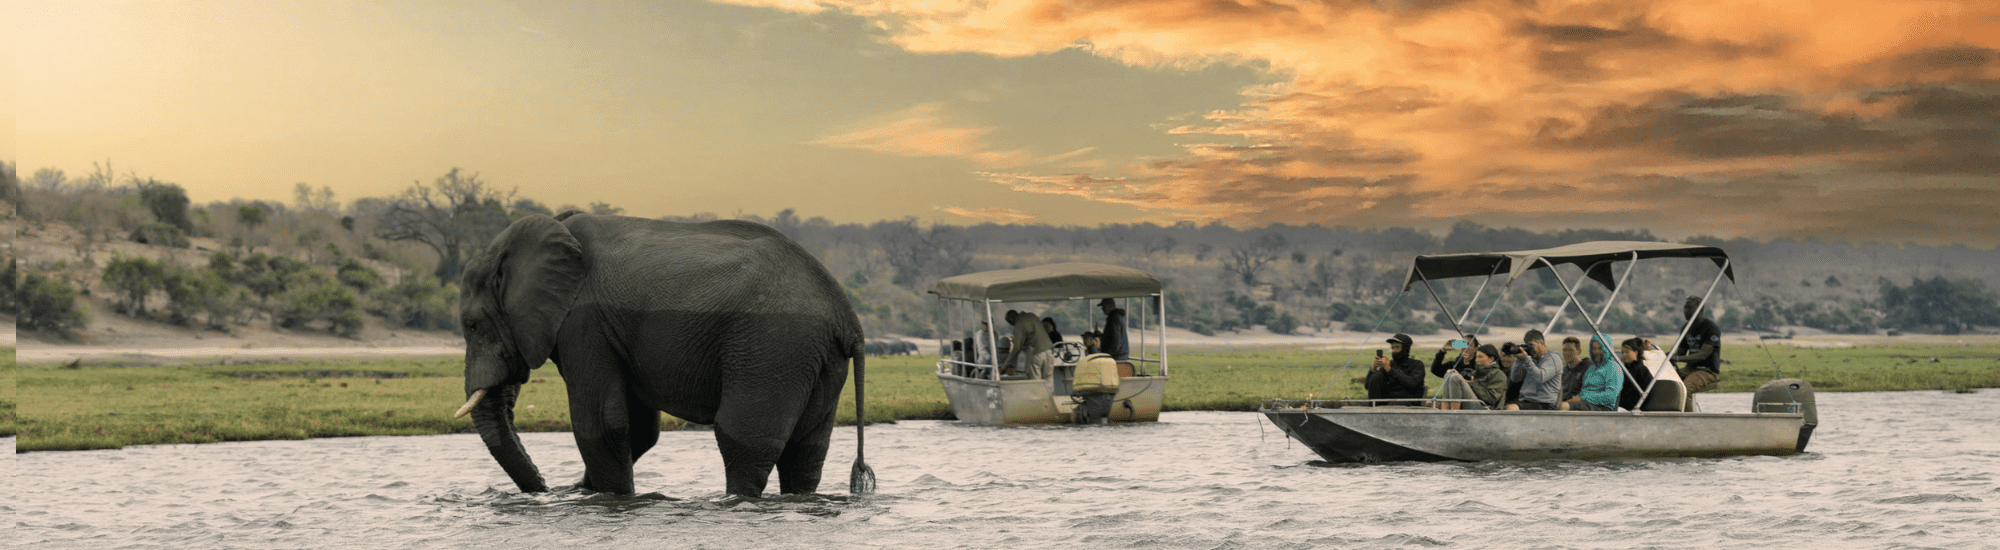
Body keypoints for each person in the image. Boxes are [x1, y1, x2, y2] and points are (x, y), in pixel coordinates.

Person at [1671, 296, 1722, 411]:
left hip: (1706, 370)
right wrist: (1669, 356)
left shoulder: (1711, 328)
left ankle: (1690, 422)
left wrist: (1678, 358)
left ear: (1699, 310)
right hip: (1689, 369)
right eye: (1684, 307)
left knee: (1685, 390)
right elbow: (1681, 352)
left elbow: (1703, 355)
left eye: (1689, 308)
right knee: (1666, 384)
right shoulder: (1686, 327)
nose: (1685, 311)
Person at [1563, 335, 1624, 411]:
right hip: (1587, 404)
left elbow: (1610, 396)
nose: (1596, 352)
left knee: (1564, 407)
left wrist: (1582, 399)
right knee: (1558, 405)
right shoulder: (1591, 369)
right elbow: (1584, 391)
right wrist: (1575, 399)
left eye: (1600, 349)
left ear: (1607, 349)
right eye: (1594, 349)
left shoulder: (1613, 368)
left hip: (1603, 407)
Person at [1507, 329, 1564, 410]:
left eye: (1531, 345)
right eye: (1527, 345)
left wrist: (1526, 359)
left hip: (1544, 403)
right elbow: (1515, 378)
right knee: (1503, 407)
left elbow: (1540, 377)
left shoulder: (1552, 358)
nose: (1530, 349)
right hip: (1526, 400)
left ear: (1542, 343)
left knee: (1510, 409)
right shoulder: (1531, 359)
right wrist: (1518, 360)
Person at [1365, 333, 1427, 403]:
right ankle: (1374, 412)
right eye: (1392, 348)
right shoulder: (1389, 364)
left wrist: (1390, 370)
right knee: (1376, 376)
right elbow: (1368, 386)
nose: (1394, 351)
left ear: (1405, 349)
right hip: (1388, 403)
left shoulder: (1417, 364)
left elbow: (1412, 383)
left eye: (1397, 347)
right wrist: (1373, 369)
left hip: (1409, 403)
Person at [1001, 310, 1055, 381]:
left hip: (1037, 353)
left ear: (1012, 318)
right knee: (1049, 379)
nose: (1012, 325)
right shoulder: (1032, 316)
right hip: (1049, 350)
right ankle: (1050, 392)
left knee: (1036, 381)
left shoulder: (1019, 324)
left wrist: (1005, 366)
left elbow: (1017, 348)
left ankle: (1037, 393)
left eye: (1011, 323)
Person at [1616, 337, 1658, 411]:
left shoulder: (1642, 371)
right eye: (1622, 353)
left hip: (1631, 408)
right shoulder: (1622, 370)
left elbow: (1644, 396)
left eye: (1627, 352)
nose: (1624, 355)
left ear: (1636, 352)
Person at [1558, 336, 1588, 402]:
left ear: (1579, 351)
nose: (1567, 353)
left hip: (1578, 404)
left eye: (1570, 350)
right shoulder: (1563, 371)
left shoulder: (1587, 368)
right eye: (1564, 350)